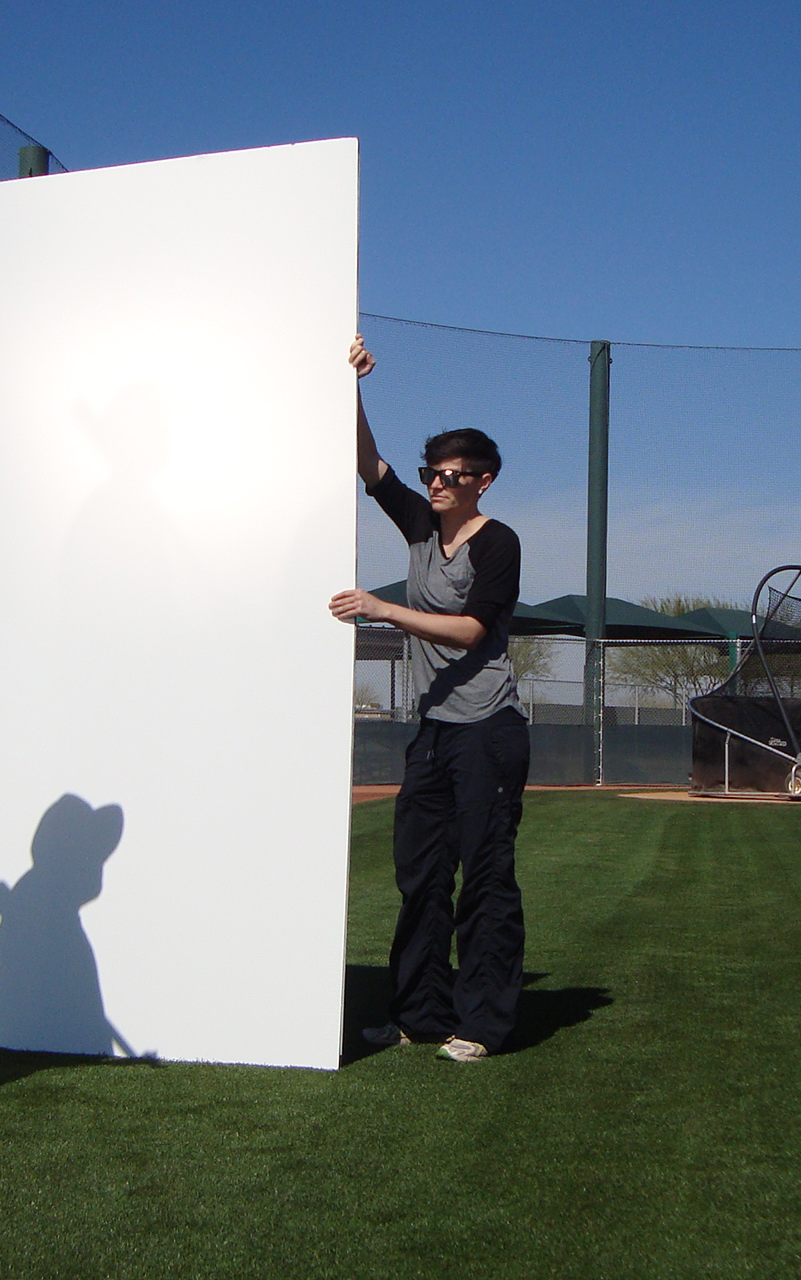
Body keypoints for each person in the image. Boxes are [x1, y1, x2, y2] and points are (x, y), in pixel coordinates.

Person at [329, 336, 528, 1063]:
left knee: (485, 877)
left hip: (488, 731)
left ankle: (481, 1024)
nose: (438, 484)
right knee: (419, 877)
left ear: (484, 481)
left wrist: (385, 610)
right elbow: (366, 465)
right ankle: (419, 1014)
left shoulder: (495, 541)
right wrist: (349, 383)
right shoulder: (419, 525)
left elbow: (474, 630)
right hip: (435, 732)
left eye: (453, 475)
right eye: (432, 474)